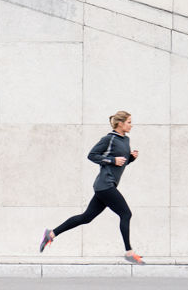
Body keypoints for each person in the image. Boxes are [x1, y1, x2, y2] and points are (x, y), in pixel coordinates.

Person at [39, 111, 145, 265]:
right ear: (120, 123)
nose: (131, 124)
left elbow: (120, 163)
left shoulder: (126, 140)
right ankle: (129, 252)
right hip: (105, 185)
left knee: (86, 217)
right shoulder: (109, 139)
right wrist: (111, 159)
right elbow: (92, 155)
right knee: (126, 214)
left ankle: (51, 234)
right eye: (129, 122)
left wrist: (130, 159)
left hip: (106, 186)